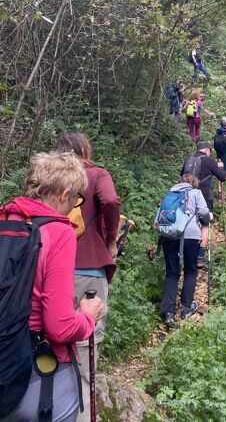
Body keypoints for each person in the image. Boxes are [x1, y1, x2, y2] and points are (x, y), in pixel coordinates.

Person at [0, 151, 103, 422]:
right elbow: (60, 326)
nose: (74, 207)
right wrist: (88, 317)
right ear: (63, 193)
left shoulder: (5, 220)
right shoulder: (59, 232)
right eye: (75, 199)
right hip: (34, 369)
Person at [53, 133, 120, 422]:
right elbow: (111, 200)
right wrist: (111, 239)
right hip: (88, 269)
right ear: (84, 150)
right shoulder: (95, 174)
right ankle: (78, 414)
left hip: (51, 271)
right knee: (85, 345)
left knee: (52, 341)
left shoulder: (50, 181)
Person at [159, 174, 210, 325]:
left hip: (168, 236)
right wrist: (208, 219)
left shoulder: (170, 194)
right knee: (190, 270)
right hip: (190, 236)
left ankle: (169, 312)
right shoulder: (195, 193)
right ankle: (186, 307)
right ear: (194, 183)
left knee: (172, 273)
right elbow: (203, 213)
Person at [181, 141, 226, 267]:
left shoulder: (189, 160)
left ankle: (184, 252)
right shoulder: (209, 160)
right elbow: (222, 177)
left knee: (187, 221)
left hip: (187, 195)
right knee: (204, 224)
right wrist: (221, 167)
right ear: (207, 150)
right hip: (205, 196)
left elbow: (182, 177)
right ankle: (200, 257)